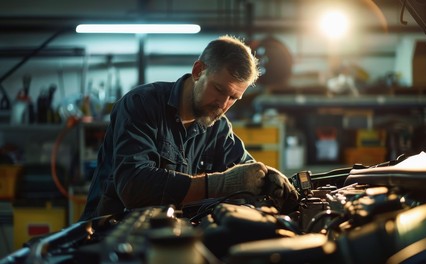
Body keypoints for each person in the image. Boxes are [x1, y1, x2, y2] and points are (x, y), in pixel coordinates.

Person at [79, 35, 298, 221]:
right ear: (198, 71)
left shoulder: (218, 129)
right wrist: (220, 183)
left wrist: (268, 176)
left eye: (233, 97)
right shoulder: (140, 105)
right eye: (219, 89)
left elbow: (246, 172)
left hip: (172, 239)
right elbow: (134, 187)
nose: (223, 104)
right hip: (108, 238)